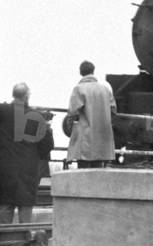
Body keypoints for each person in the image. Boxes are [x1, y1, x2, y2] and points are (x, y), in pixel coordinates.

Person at [0, 83, 54, 223]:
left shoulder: (2, 111)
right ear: (27, 96)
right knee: (25, 206)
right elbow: (47, 145)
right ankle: (24, 239)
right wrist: (37, 156)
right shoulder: (36, 117)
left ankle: (5, 240)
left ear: (13, 94)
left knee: (5, 205)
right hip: (28, 169)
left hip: (5, 168)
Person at [66, 60, 116, 167]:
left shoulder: (79, 89)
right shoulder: (105, 89)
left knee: (84, 172)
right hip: (103, 137)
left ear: (80, 72)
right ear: (93, 71)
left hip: (86, 137)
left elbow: (72, 112)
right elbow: (113, 110)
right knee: (97, 171)